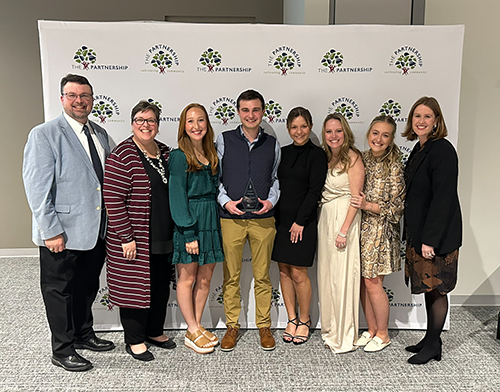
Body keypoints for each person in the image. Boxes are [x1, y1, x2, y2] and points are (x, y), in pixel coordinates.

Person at [22, 74, 114, 371]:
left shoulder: (99, 134)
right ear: (62, 98)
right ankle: (62, 349)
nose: (79, 100)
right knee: (59, 291)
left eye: (85, 95)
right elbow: (37, 188)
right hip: (60, 233)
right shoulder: (44, 134)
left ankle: (83, 333)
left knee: (86, 287)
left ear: (92, 99)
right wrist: (50, 231)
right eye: (72, 95)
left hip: (95, 231)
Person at [104, 101, 176, 362]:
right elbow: (112, 199)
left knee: (158, 287)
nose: (146, 125)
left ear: (157, 124)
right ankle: (134, 340)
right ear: (132, 123)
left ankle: (155, 331)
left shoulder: (166, 153)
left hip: (162, 235)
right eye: (140, 120)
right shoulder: (122, 155)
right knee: (134, 289)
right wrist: (126, 237)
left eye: (151, 120)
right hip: (134, 238)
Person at [216, 89, 281, 351]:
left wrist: (272, 201)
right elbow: (216, 178)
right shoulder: (223, 140)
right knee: (231, 276)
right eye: (245, 110)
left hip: (264, 219)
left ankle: (263, 326)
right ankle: (233, 325)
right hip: (230, 219)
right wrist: (225, 202)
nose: (251, 115)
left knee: (263, 276)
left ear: (263, 112)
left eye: (255, 110)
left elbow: (276, 178)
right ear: (238, 112)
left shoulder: (273, 144)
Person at [402, 97, 462, 365]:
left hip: (437, 237)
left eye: (427, 116)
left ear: (437, 120)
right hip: (421, 233)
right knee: (430, 288)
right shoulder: (420, 148)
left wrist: (430, 241)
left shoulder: (442, 150)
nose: (421, 121)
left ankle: (434, 344)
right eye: (417, 116)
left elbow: (443, 198)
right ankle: (430, 339)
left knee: (437, 290)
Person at [169, 103, 224, 354]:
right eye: (190, 121)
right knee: (187, 277)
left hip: (210, 219)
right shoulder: (179, 155)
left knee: (205, 277)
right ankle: (190, 330)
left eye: (200, 120)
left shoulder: (211, 153)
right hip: (190, 220)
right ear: (184, 126)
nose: (196, 126)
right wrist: (188, 232)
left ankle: (198, 325)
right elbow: (177, 196)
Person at [271, 107, 327, 345]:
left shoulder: (317, 155)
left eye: (303, 126)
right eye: (294, 127)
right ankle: (291, 318)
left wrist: (299, 221)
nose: (299, 131)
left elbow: (315, 191)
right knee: (283, 270)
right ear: (288, 129)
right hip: (280, 222)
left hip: (303, 223)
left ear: (311, 127)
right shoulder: (281, 153)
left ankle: (304, 320)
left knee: (298, 273)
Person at [350, 115, 405, 352]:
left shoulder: (394, 166)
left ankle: (383, 334)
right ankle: (371, 329)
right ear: (369, 133)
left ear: (392, 139)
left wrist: (368, 206)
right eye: (375, 133)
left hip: (382, 232)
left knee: (373, 283)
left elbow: (398, 207)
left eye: (385, 135)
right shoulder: (362, 158)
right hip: (361, 229)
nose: (378, 139)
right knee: (363, 283)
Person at [317, 112, 364, 354]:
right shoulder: (326, 157)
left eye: (338, 131)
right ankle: (331, 328)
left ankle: (343, 333)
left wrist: (344, 231)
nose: (333, 136)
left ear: (345, 132)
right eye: (329, 131)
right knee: (328, 278)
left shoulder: (353, 158)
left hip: (343, 222)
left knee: (343, 278)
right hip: (326, 221)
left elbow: (356, 199)